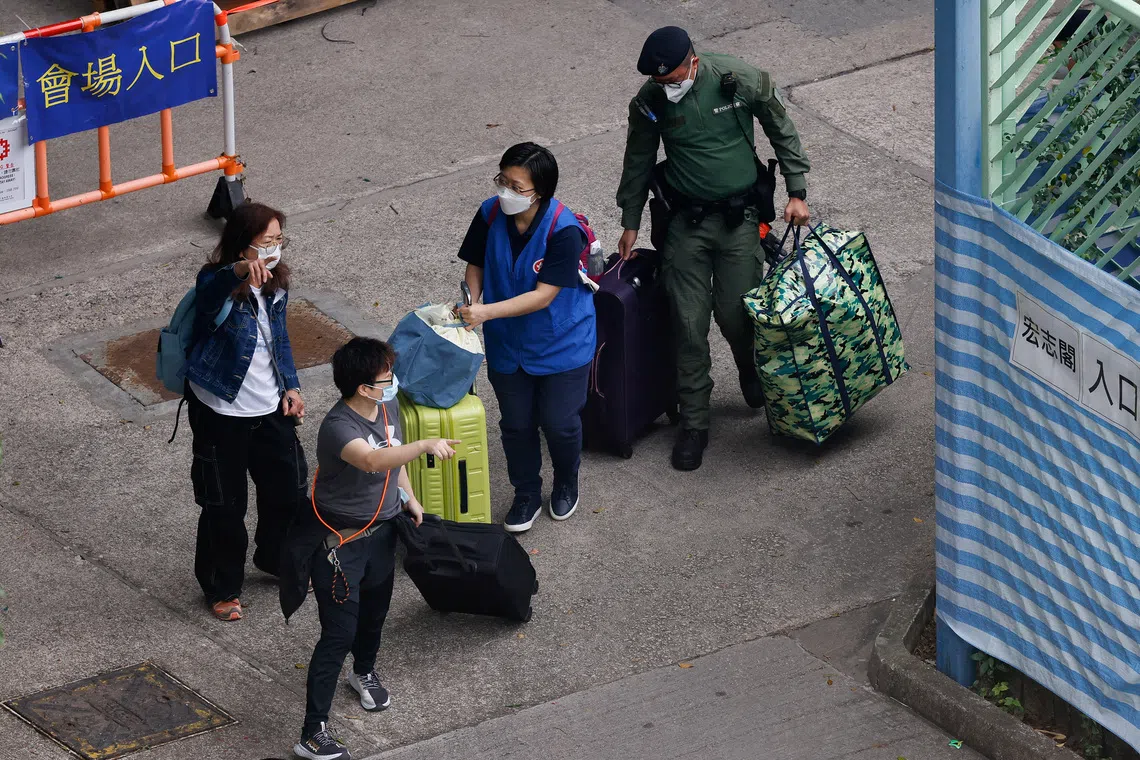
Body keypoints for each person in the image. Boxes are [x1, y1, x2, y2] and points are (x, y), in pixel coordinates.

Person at [615, 26, 813, 471]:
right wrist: (630, 221)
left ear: (693, 63)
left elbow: (780, 124)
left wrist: (796, 190)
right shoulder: (649, 103)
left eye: (673, 79)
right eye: (660, 82)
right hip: (686, 222)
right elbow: (638, 160)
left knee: (737, 313)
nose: (667, 88)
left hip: (740, 220)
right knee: (688, 324)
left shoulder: (737, 79)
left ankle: (750, 368)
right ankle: (694, 423)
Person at [280, 337, 459, 760]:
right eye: (387, 377)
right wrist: (426, 445)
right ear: (363, 387)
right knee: (338, 633)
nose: (393, 383)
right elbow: (373, 461)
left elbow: (392, 460)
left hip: (382, 533)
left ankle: (363, 673)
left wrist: (410, 499)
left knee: (375, 614)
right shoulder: (339, 427)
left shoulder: (386, 407)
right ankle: (312, 733)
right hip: (339, 545)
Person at [456, 142, 597, 533]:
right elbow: (476, 262)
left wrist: (484, 312)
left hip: (561, 342)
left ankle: (566, 482)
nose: (506, 192)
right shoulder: (489, 213)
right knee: (516, 423)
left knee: (559, 422)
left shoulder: (564, 230)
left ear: (541, 192)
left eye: (517, 187)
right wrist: (472, 298)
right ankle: (526, 493)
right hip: (507, 341)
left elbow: (544, 295)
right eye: (503, 180)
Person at [185, 201, 307, 621]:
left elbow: (281, 340)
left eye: (279, 240)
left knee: (288, 490)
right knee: (224, 504)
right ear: (241, 246)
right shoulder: (217, 281)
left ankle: (273, 557)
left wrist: (290, 386)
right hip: (221, 411)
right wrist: (238, 272)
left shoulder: (278, 283)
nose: (274, 250)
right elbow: (210, 292)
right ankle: (223, 586)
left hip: (270, 406)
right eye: (265, 242)